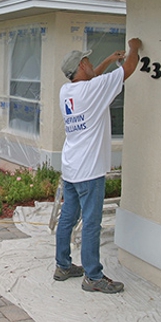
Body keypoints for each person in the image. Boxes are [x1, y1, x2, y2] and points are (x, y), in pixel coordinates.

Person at [54, 37, 142, 294]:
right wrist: (134, 47)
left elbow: (91, 78)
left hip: (71, 167)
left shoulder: (66, 91)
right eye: (88, 60)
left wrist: (107, 60)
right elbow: (129, 69)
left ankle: (63, 265)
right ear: (81, 65)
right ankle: (93, 277)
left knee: (68, 218)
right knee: (92, 223)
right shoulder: (94, 90)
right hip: (90, 170)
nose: (92, 63)